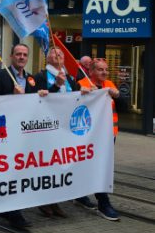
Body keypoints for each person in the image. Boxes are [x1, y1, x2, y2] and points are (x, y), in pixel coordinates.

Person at [27, 47, 89, 218]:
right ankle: (44, 201)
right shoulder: (39, 77)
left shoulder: (69, 77)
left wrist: (82, 92)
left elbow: (76, 97)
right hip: (46, 128)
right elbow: (34, 100)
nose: (58, 54)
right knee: (46, 165)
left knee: (60, 165)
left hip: (65, 128)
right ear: (47, 58)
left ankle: (55, 199)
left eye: (61, 53)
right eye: (54, 53)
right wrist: (55, 86)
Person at [0, 44, 34, 229]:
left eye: (24, 55)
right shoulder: (0, 75)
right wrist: (12, 97)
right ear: (11, 56)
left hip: (21, 130)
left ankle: (9, 209)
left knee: (18, 170)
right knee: (7, 170)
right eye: (18, 54)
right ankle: (13, 212)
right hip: (1, 129)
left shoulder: (30, 78)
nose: (21, 57)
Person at [75, 58, 120, 221]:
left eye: (106, 69)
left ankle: (91, 198)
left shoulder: (108, 84)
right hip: (88, 136)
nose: (104, 72)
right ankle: (103, 202)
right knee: (91, 165)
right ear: (91, 71)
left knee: (101, 166)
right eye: (100, 69)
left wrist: (116, 94)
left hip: (109, 135)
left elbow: (119, 98)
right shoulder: (81, 83)